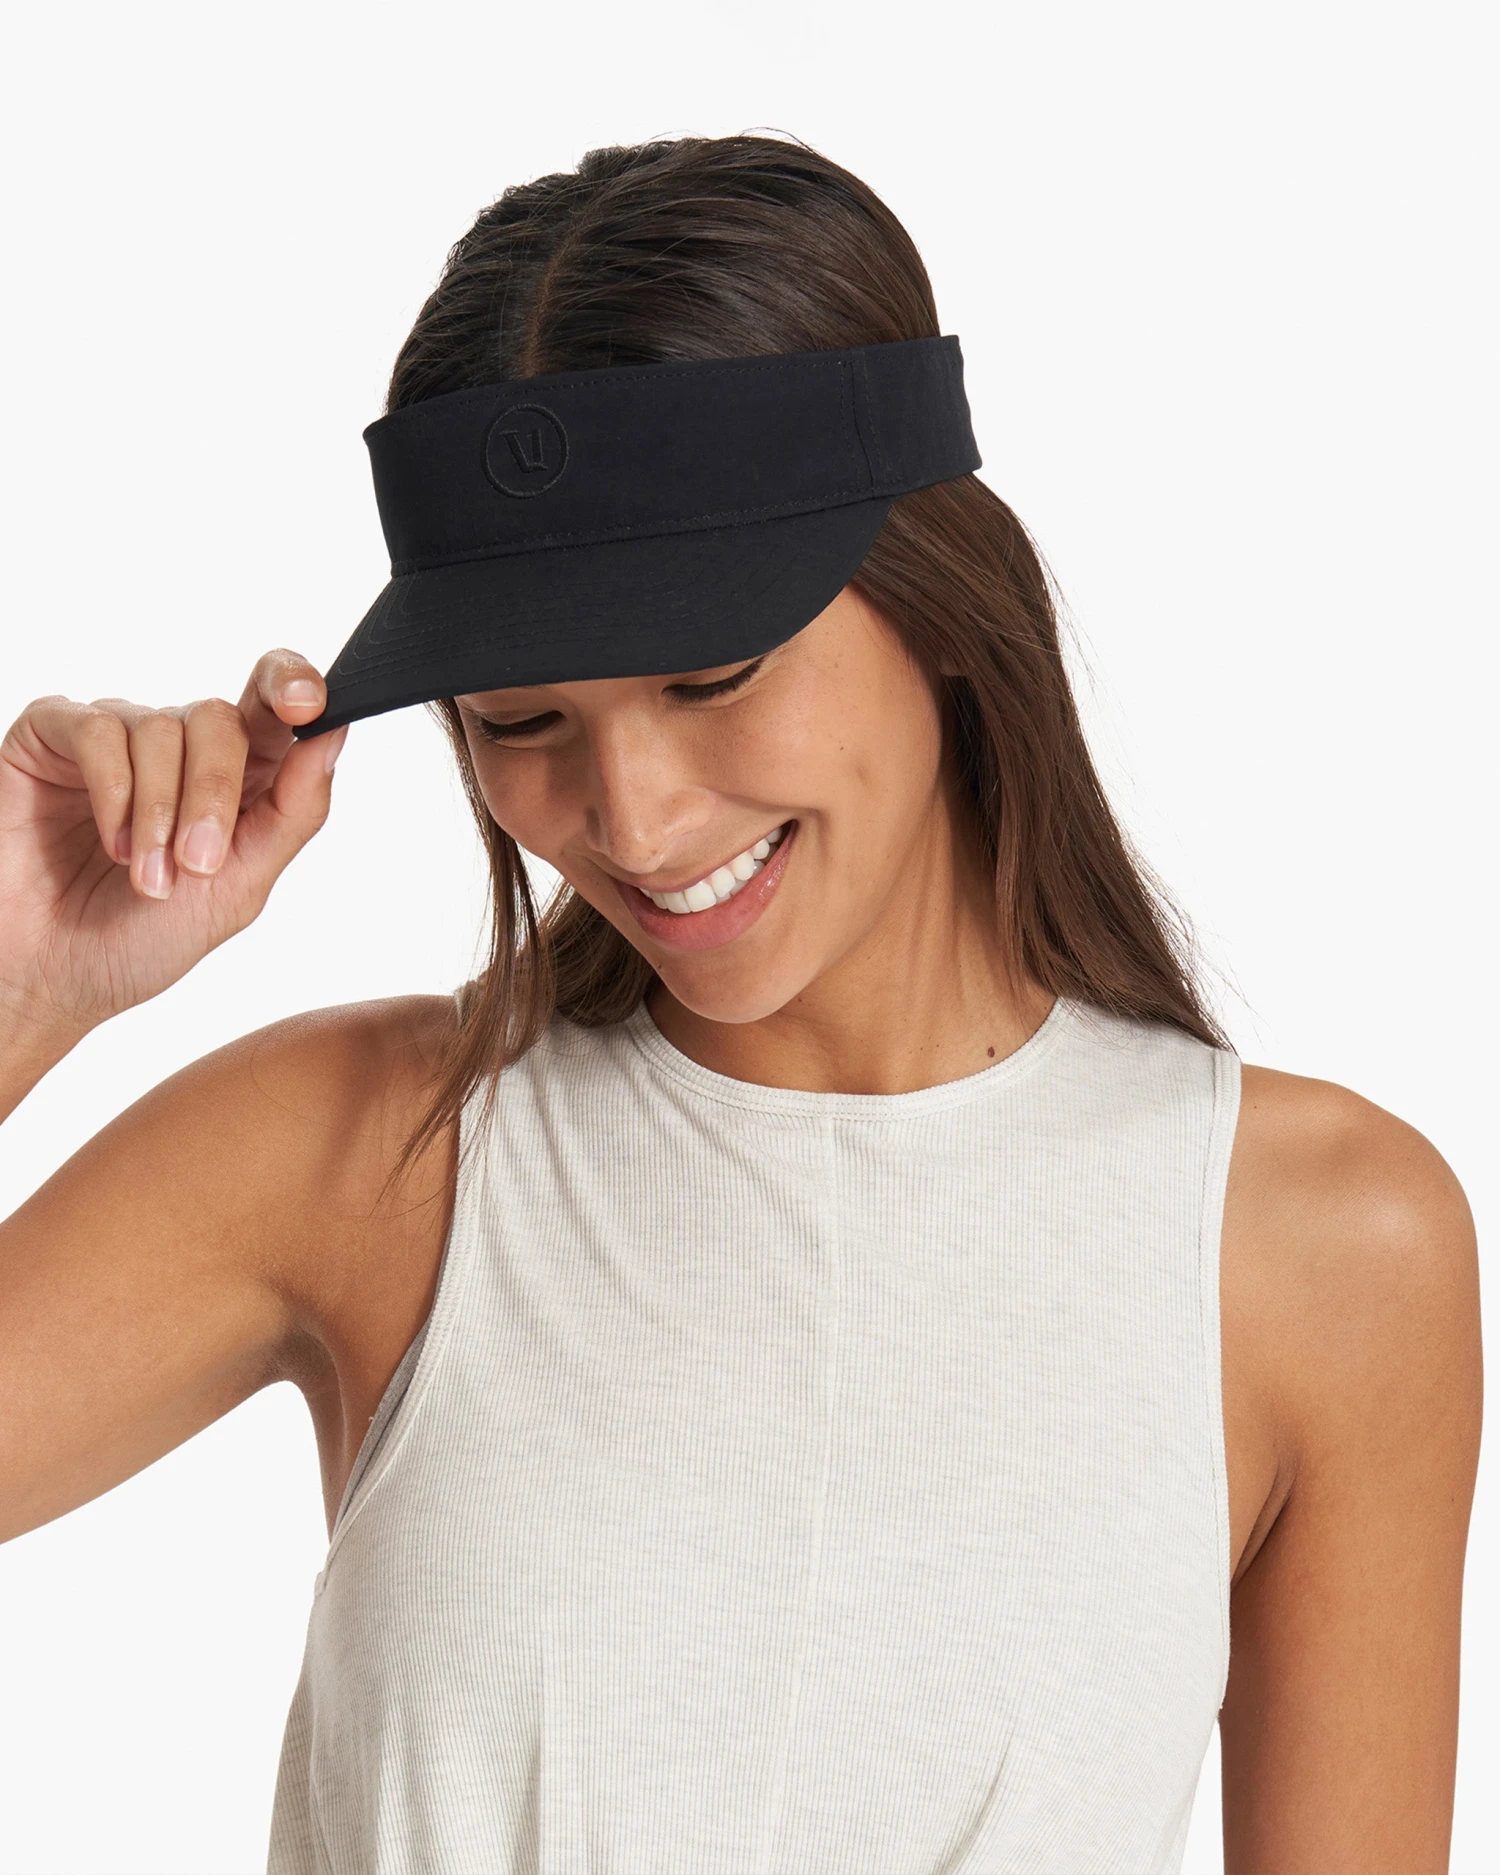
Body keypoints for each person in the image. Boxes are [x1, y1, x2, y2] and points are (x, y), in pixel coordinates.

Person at [0, 133, 1481, 1875]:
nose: (631, 821)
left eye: (712, 674)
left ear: (943, 604)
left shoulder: (1318, 1246)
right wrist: (26, 976)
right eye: (520, 719)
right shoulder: (369, 1149)